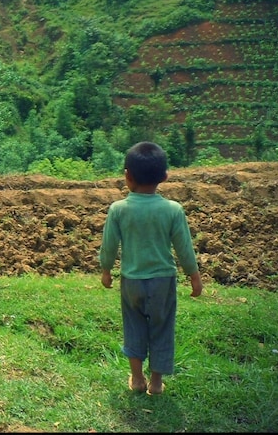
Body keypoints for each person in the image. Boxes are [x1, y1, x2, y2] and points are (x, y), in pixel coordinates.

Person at [99, 141, 202, 396]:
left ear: (127, 176)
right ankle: (156, 383)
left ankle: (137, 379)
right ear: (165, 176)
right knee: (162, 327)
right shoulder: (173, 210)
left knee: (133, 325)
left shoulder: (118, 209)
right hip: (163, 281)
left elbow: (109, 246)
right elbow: (184, 248)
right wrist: (194, 277)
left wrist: (106, 271)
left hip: (131, 280)